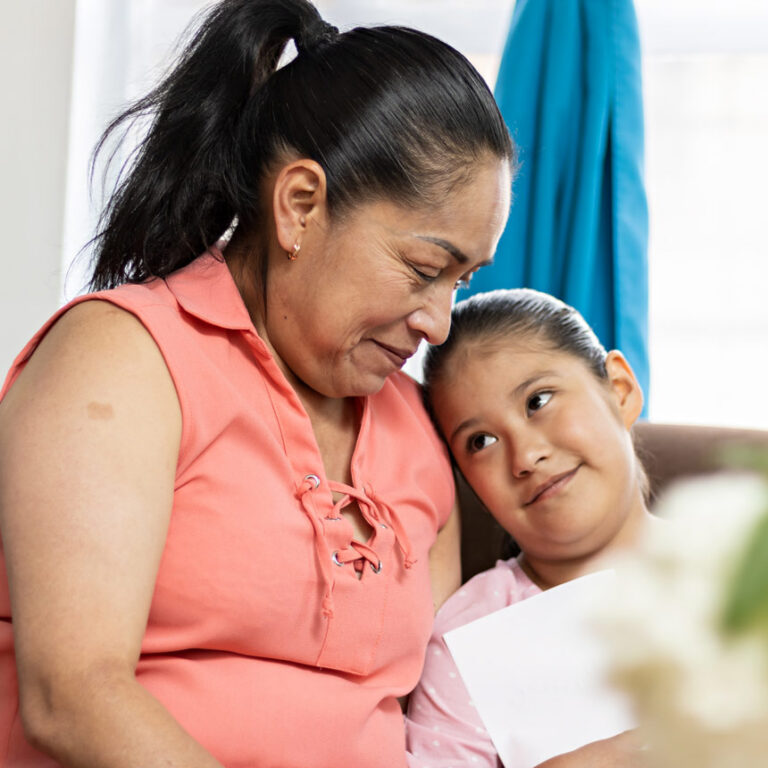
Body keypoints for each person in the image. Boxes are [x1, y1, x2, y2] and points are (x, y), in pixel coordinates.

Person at [0, 1, 514, 766]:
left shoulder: (417, 429)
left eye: (462, 280)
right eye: (422, 270)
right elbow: (71, 698)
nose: (439, 323)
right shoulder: (124, 358)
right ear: (301, 204)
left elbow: (431, 720)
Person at [406, 289, 656, 768]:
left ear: (619, 390)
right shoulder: (471, 637)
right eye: (481, 441)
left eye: (538, 401)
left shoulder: (737, 560)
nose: (525, 457)